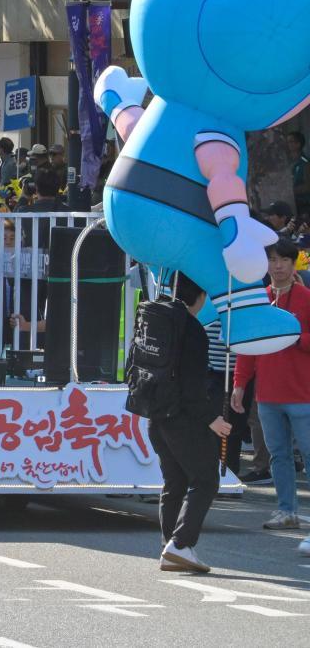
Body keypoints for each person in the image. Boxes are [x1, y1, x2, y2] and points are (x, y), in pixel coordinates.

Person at [144, 275, 231, 573]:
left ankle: (170, 546)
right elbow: (192, 385)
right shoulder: (192, 329)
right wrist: (212, 418)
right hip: (183, 417)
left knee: (175, 482)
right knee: (205, 479)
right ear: (201, 297)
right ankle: (180, 545)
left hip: (155, 413)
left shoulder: (156, 317)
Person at [231, 239, 310, 540]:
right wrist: (239, 384)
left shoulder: (306, 298)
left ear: (294, 265)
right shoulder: (260, 301)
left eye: (283, 261)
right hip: (268, 394)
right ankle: (286, 510)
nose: (277, 266)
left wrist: (296, 337)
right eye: (272, 260)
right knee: (278, 455)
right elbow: (248, 348)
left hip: (303, 394)